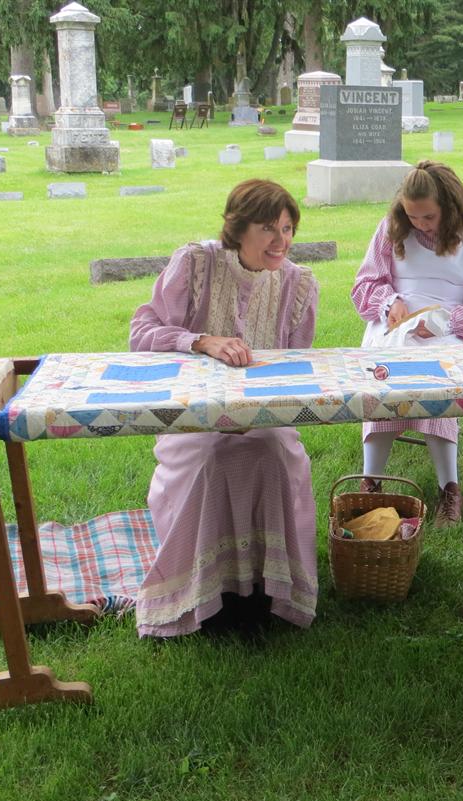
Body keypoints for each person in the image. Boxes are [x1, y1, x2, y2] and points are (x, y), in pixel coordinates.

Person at [129, 179, 319, 639]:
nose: (281, 241)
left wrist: (259, 412)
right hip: (192, 418)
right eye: (268, 229)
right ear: (237, 229)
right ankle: (209, 593)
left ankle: (265, 589)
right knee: (213, 459)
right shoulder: (195, 263)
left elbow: (294, 371)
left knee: (273, 454)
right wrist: (200, 341)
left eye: (288, 228)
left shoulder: (298, 285)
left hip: (264, 420)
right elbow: (142, 331)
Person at [350, 160, 463, 527]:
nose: (420, 224)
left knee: (439, 380)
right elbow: (365, 284)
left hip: (448, 329)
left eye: (428, 217)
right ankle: (372, 481)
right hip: (395, 327)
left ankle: (449, 487)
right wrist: (389, 302)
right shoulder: (391, 230)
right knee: (384, 373)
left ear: (449, 206)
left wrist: (443, 321)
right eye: (412, 217)